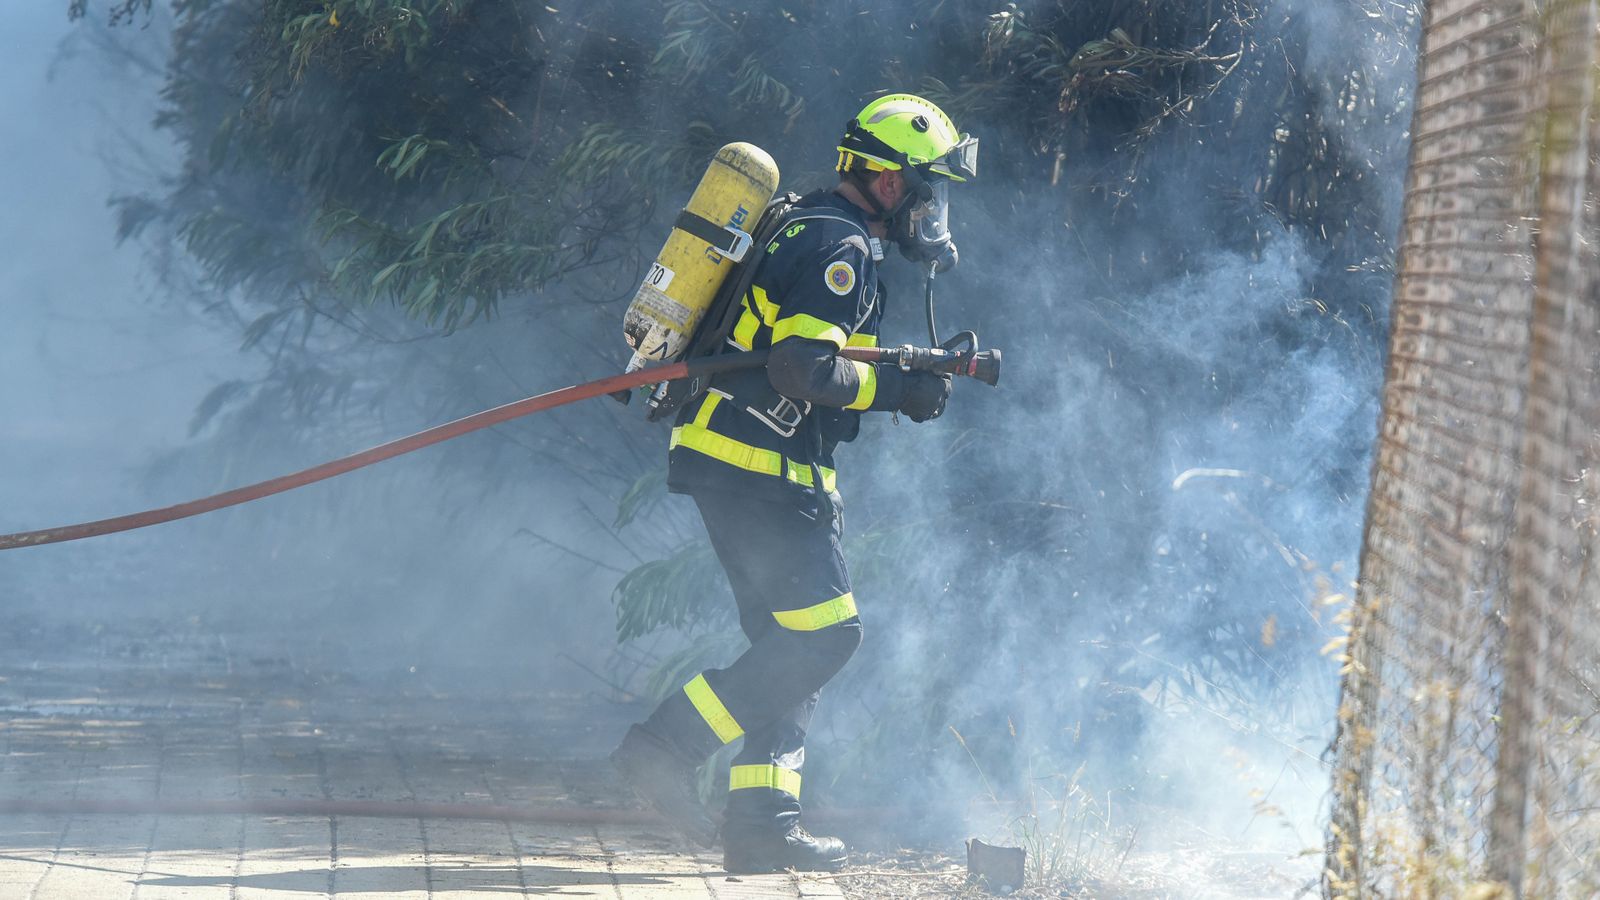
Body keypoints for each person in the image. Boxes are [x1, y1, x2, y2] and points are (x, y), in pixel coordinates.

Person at [611, 93, 978, 874]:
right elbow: (802, 366)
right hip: (761, 472)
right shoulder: (839, 250)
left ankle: (762, 825)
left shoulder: (808, 222)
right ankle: (665, 745)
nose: (933, 208)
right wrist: (897, 393)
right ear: (888, 183)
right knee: (827, 638)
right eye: (928, 187)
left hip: (736, 462)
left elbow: (804, 349)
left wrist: (904, 369)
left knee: (788, 647)